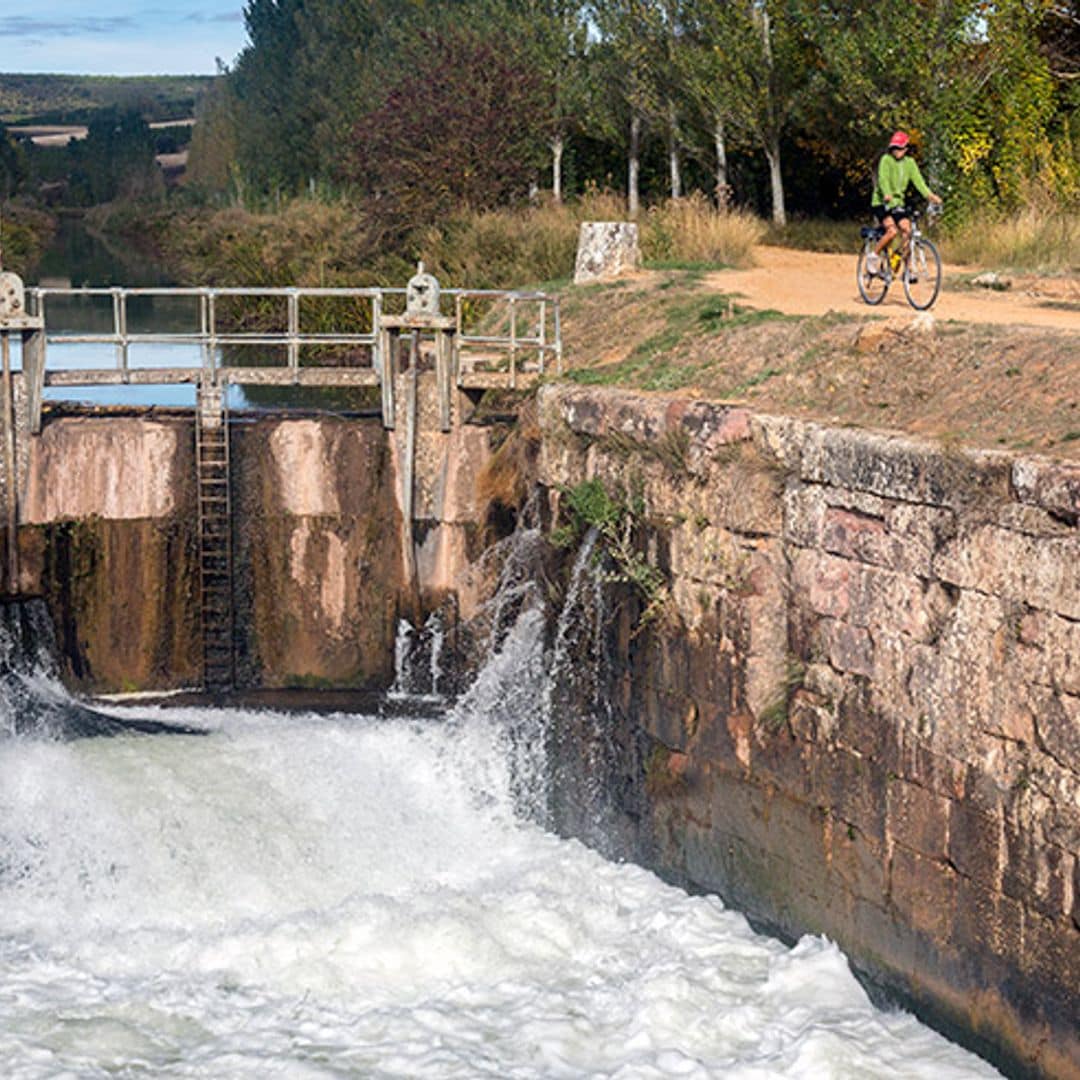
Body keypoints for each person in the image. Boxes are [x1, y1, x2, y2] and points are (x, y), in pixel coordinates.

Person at [868, 131, 942, 276]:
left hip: (898, 203)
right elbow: (883, 179)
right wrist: (887, 193)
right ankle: (873, 256)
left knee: (908, 231)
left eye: (900, 148)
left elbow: (918, 181)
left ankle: (906, 269)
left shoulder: (910, 163)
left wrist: (930, 195)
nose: (897, 151)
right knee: (892, 231)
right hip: (882, 202)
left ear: (906, 149)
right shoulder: (886, 160)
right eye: (894, 148)